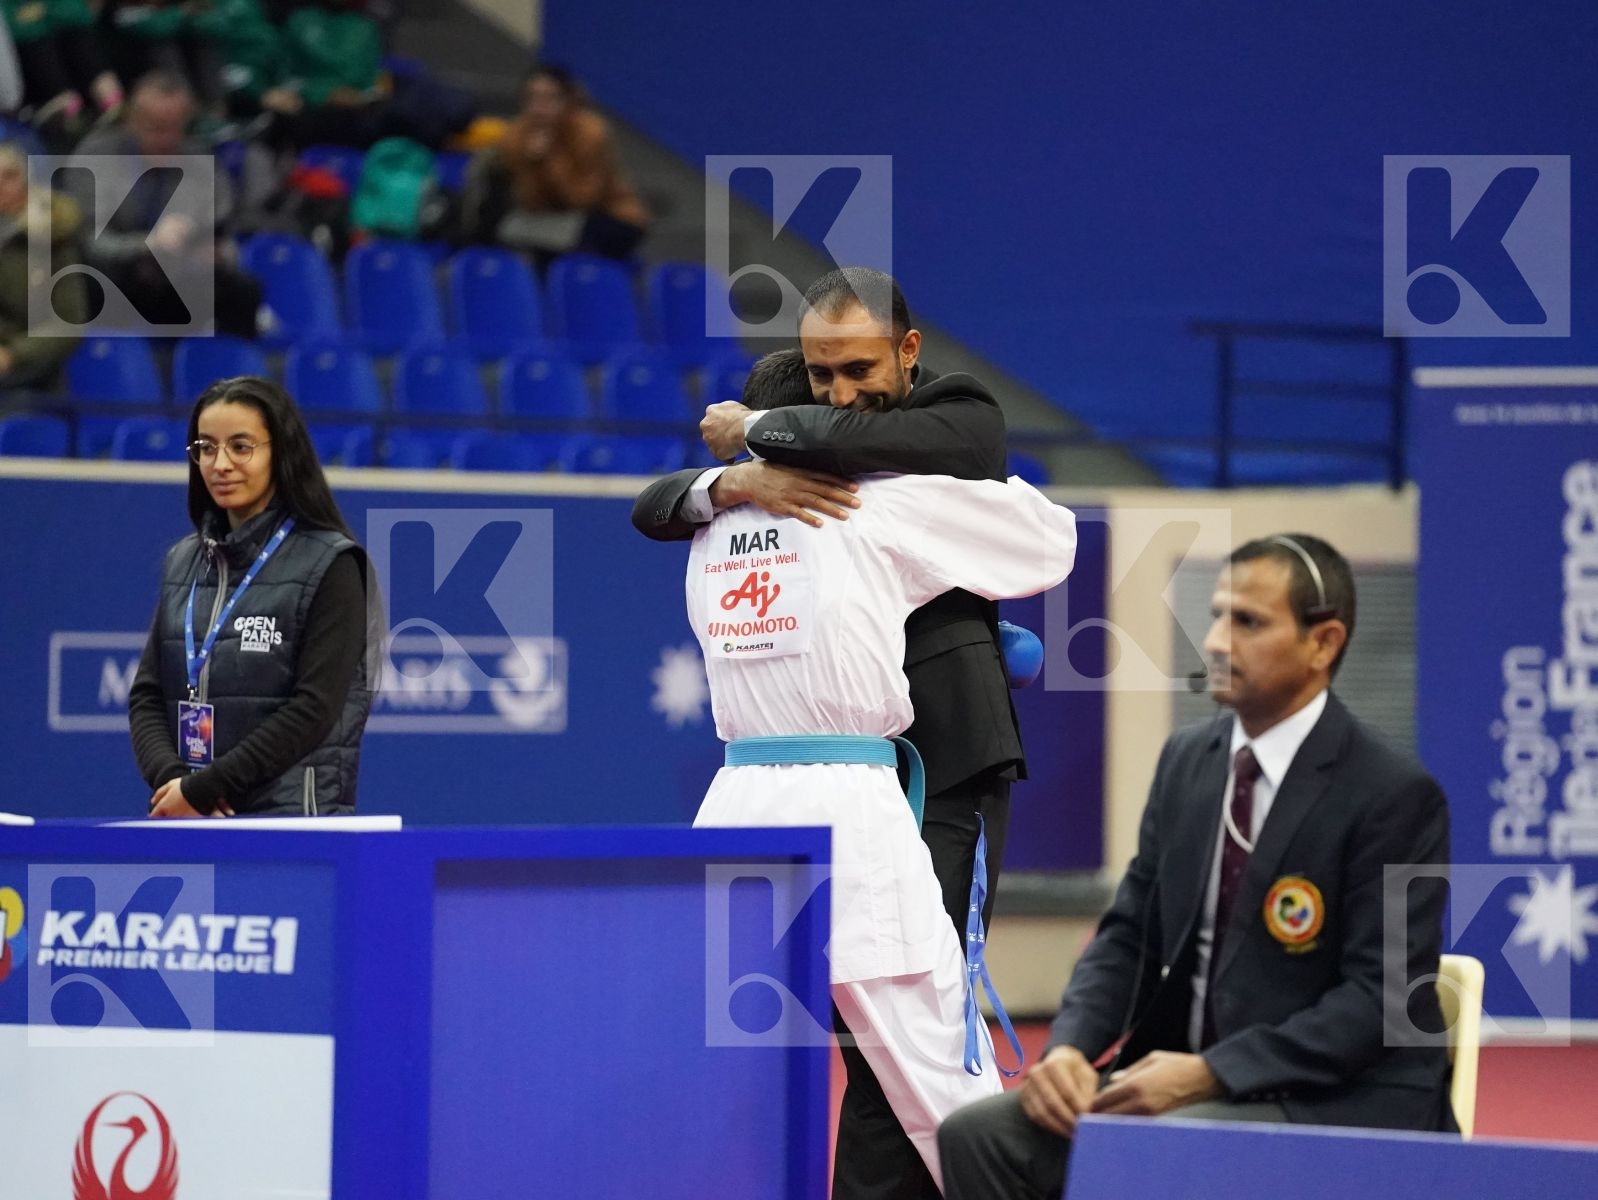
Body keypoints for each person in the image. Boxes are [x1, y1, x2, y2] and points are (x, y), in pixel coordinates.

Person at [634, 268, 1023, 1199]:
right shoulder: (782, 495)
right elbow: (655, 503)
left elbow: (967, 456)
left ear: (908, 352)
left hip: (949, 757)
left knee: (913, 1038)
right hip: (849, 771)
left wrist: (761, 435)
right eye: (821, 381)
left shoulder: (950, 416)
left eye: (860, 373)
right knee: (864, 1030)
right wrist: (736, 479)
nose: (841, 398)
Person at [937, 535, 1456, 1200]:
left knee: (1174, 1152)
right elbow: (1128, 937)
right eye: (1216, 615)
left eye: (1248, 622)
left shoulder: (1395, 795)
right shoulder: (1188, 760)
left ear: (1323, 643)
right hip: (1188, 1083)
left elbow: (1380, 1005)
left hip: (1335, 1099)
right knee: (979, 1137)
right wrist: (1068, 1047)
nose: (1214, 641)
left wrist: (1209, 1072)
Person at [688, 347, 1078, 1190]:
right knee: (938, 1066)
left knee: (734, 1063)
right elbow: (1050, 541)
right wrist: (900, 452)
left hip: (733, 802)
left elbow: (668, 500)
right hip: (853, 809)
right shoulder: (871, 505)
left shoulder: (709, 521)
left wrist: (729, 478)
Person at [128, 375, 377, 817]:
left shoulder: (332, 562)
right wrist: (173, 780)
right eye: (206, 447)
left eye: (240, 447)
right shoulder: (182, 561)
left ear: (280, 453)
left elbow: (314, 709)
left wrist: (206, 788)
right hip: (190, 813)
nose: (219, 464)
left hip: (293, 821)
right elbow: (147, 694)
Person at [68, 69, 265, 337]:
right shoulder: (95, 156)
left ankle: (234, 373)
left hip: (174, 275)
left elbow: (224, 232)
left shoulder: (198, 160)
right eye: (157, 128)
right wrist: (148, 244)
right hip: (115, 276)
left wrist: (217, 254)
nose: (168, 140)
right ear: (131, 120)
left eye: (177, 128)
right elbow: (89, 243)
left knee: (242, 290)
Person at [463, 65, 649, 261]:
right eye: (532, 98)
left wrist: (548, 162)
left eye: (549, 99)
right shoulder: (517, 135)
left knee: (576, 237)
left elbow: (583, 199)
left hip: (606, 215)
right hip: (549, 218)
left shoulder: (590, 133)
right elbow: (529, 202)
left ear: (568, 100)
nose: (539, 107)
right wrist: (529, 163)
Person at [0, 140, 86, 388]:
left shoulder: (53, 238)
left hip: (33, 373)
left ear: (27, 183)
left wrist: (13, 354)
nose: (1, 187)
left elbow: (69, 322)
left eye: (10, 176)